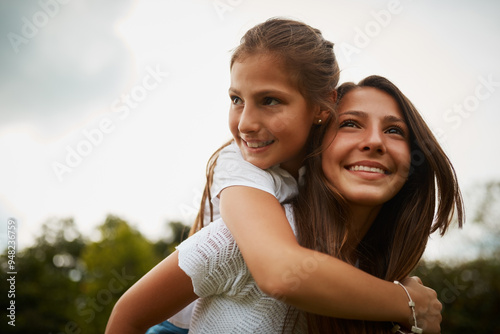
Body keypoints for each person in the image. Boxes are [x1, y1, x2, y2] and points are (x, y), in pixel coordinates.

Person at [106, 19, 455, 333]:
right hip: (176, 321)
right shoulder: (240, 164)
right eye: (236, 99)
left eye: (270, 100)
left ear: (322, 108)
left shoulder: (321, 164)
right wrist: (407, 303)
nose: (245, 124)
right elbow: (278, 271)